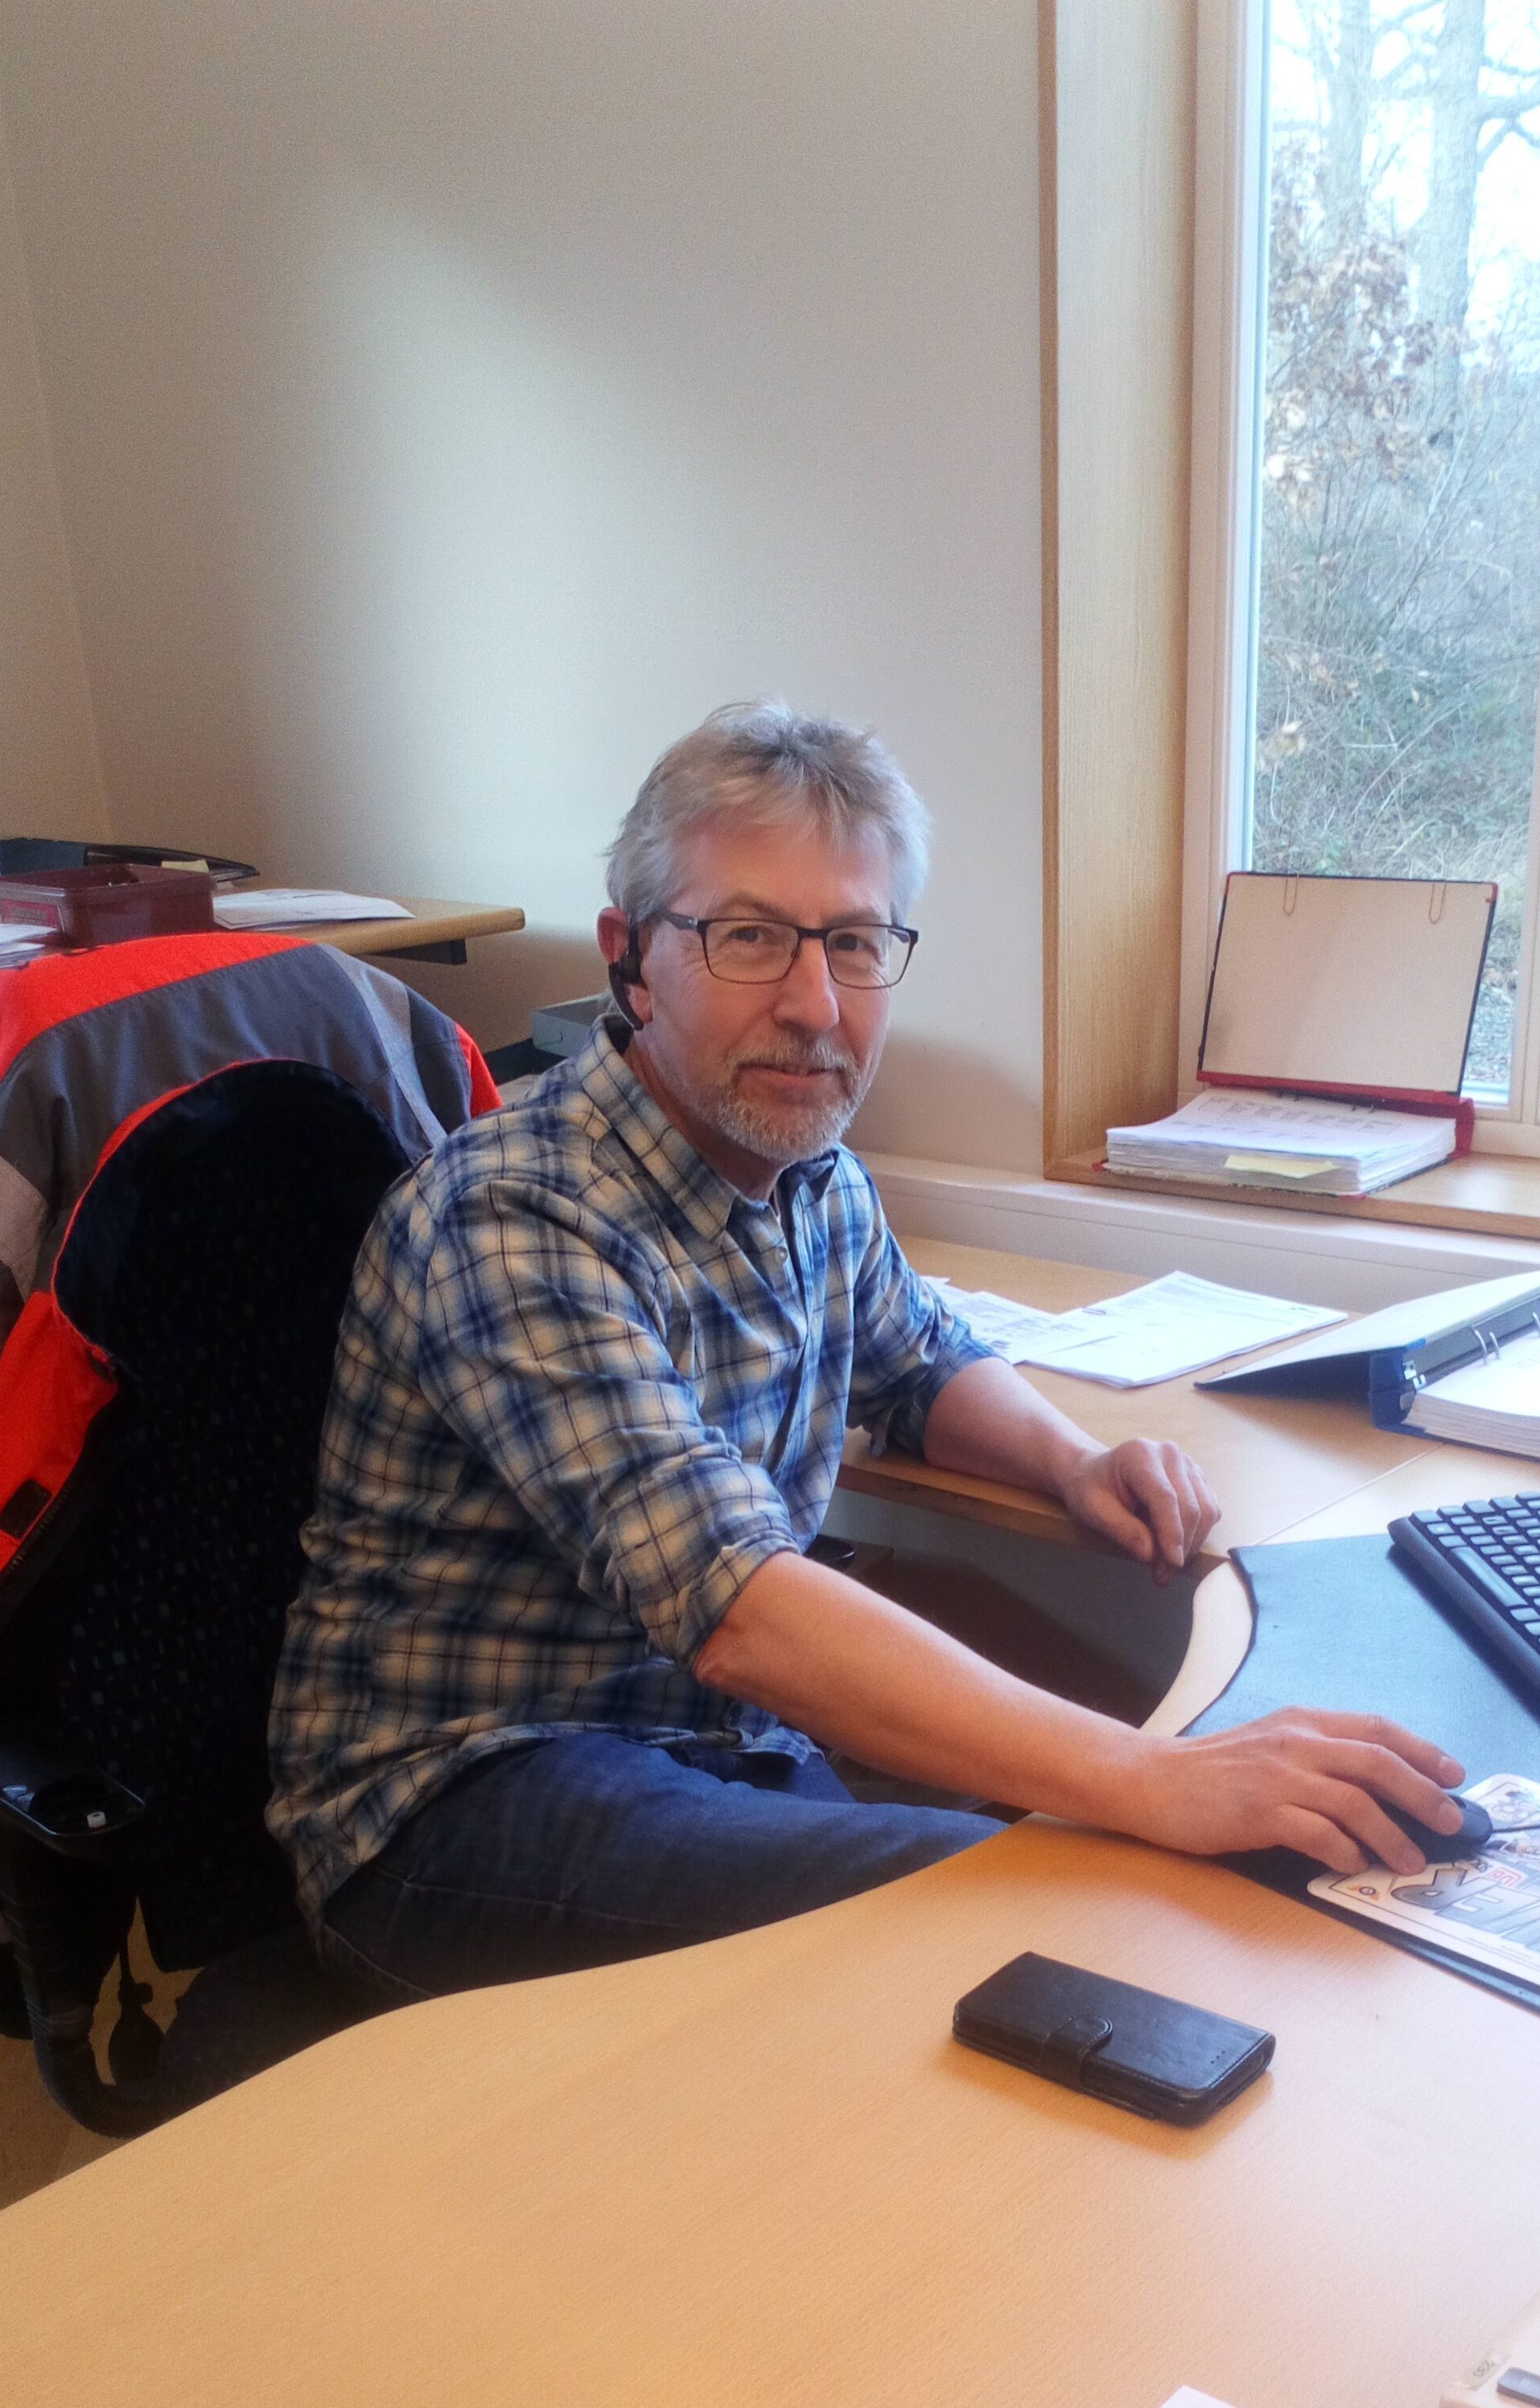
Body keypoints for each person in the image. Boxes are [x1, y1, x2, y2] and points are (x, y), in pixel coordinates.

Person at [267, 700, 1466, 2003]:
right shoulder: (513, 1216)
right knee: (1006, 1917)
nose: (815, 1004)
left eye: (853, 942)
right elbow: (740, 1610)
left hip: (710, 1744)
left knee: (1031, 1885)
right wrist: (1154, 1777)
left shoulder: (809, 1173)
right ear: (631, 959)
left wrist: (1073, 1462)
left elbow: (921, 1362)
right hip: (455, 1800)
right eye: (748, 938)